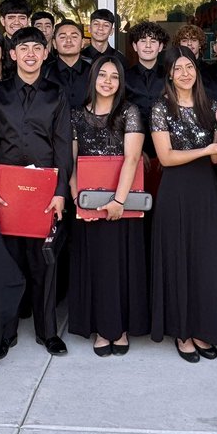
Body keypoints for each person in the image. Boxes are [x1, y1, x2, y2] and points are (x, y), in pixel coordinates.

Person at [0, 26, 74, 355]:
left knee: (45, 265)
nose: (31, 54)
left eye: (37, 48)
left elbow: (63, 146)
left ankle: (48, 332)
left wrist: (61, 191)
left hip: (45, 192)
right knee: (8, 263)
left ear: (45, 53)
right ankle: (6, 332)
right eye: (24, 49)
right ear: (13, 54)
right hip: (6, 191)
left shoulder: (56, 93)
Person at [149, 47, 217, 362]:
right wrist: (206, 147)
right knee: (178, 258)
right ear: (169, 73)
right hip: (175, 190)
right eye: (179, 68)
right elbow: (166, 158)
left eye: (190, 67)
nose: (185, 73)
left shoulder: (209, 106)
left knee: (205, 259)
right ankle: (182, 333)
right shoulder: (160, 108)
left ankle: (202, 329)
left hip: (205, 190)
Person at [68, 54, 149, 356]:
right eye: (103, 75)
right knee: (96, 267)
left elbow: (132, 158)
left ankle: (122, 327)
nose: (108, 81)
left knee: (122, 266)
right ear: (93, 78)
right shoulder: (76, 115)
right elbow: (71, 162)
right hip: (88, 206)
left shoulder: (130, 112)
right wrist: (79, 202)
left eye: (114, 77)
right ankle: (102, 328)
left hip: (123, 203)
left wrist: (118, 200)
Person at [124, 20, 167, 139]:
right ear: (134, 46)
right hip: (132, 140)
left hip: (167, 140)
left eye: (153, 41)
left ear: (160, 47)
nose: (148, 46)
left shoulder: (170, 76)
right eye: (143, 41)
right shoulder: (124, 77)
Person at [44, 19, 93, 107]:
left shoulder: (94, 72)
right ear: (54, 43)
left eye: (74, 37)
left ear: (82, 43)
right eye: (62, 37)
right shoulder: (44, 73)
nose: (68, 40)